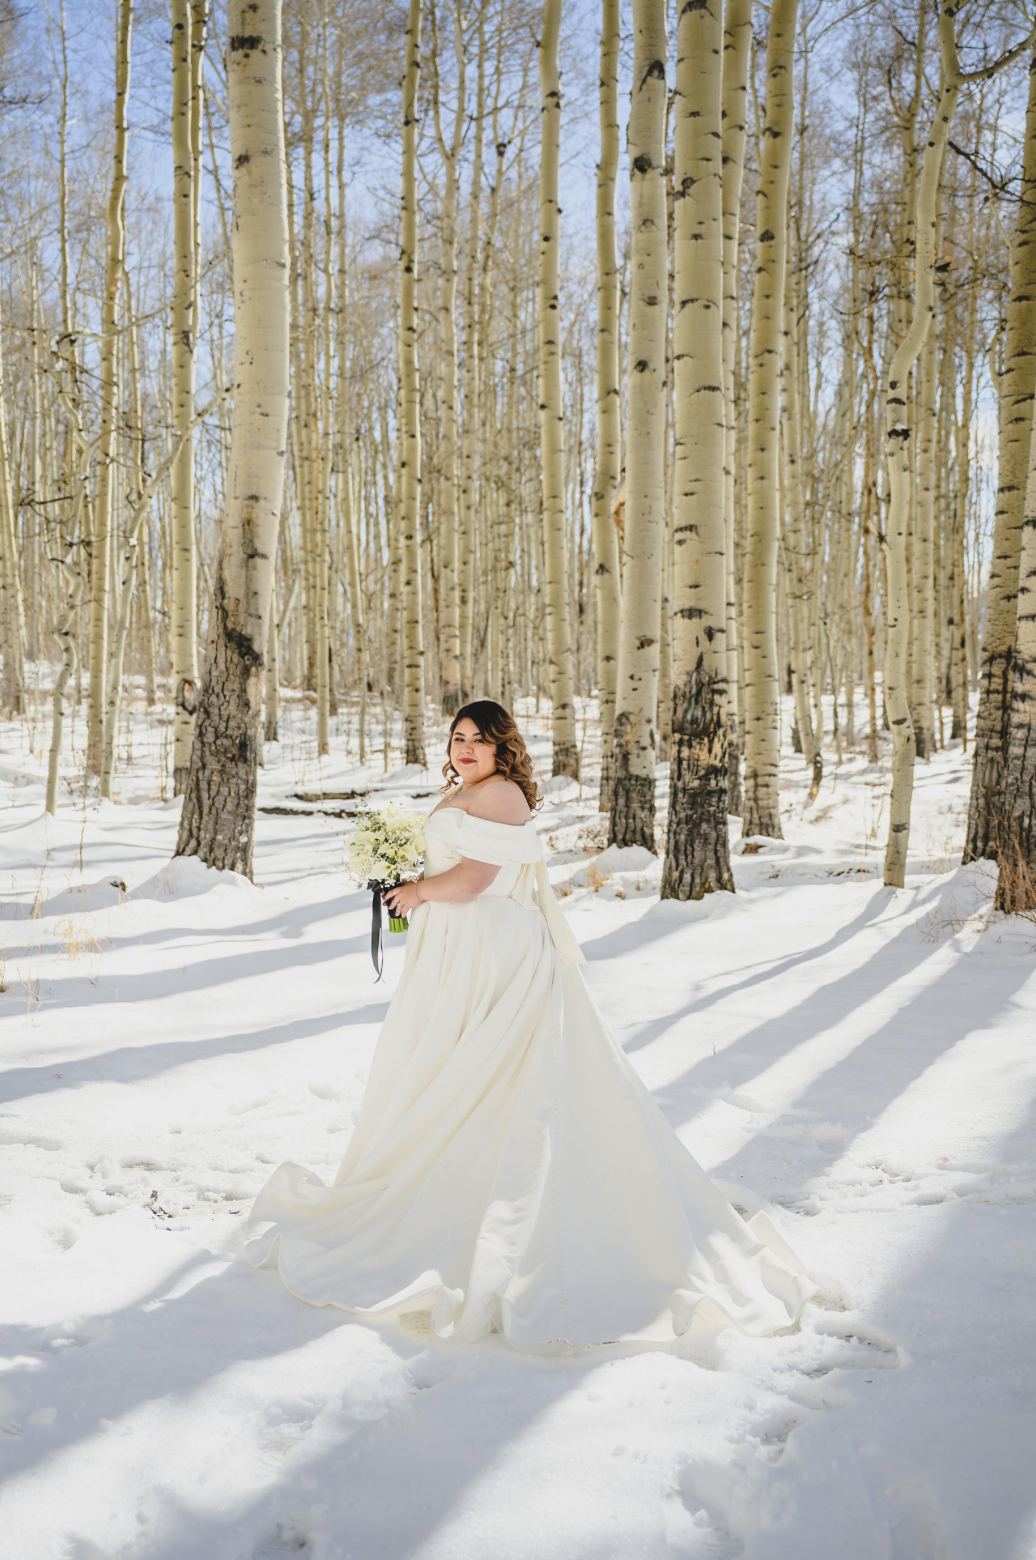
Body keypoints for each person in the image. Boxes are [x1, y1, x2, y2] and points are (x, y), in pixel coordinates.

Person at [245, 700, 815, 1351]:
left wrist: (419, 893)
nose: (464, 748)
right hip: (456, 949)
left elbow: (477, 878)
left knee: (490, 1073)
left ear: (501, 747)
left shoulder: (502, 794)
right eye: (457, 737)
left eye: (478, 740)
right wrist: (405, 877)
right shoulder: (467, 791)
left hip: (492, 952)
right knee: (449, 1068)